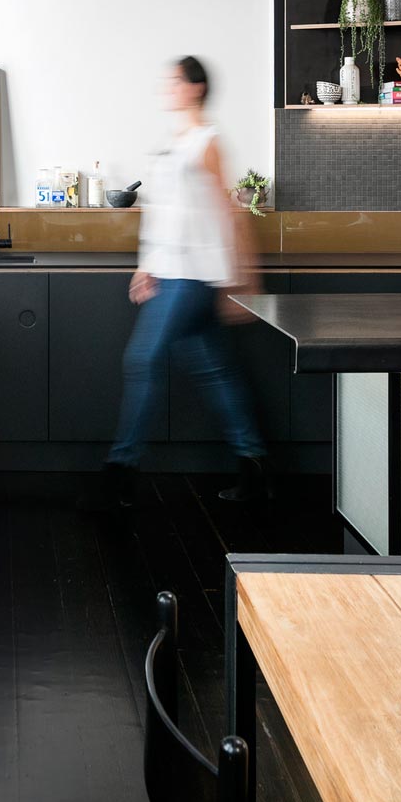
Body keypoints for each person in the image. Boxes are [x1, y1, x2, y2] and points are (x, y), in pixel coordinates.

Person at [103, 56, 267, 508]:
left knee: (142, 359)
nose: (166, 87)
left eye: (174, 80)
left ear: (195, 88)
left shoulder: (207, 143)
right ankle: (254, 466)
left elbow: (229, 213)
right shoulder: (175, 143)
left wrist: (244, 280)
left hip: (193, 277)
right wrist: (145, 264)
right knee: (217, 372)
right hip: (173, 272)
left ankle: (119, 474)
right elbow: (167, 215)